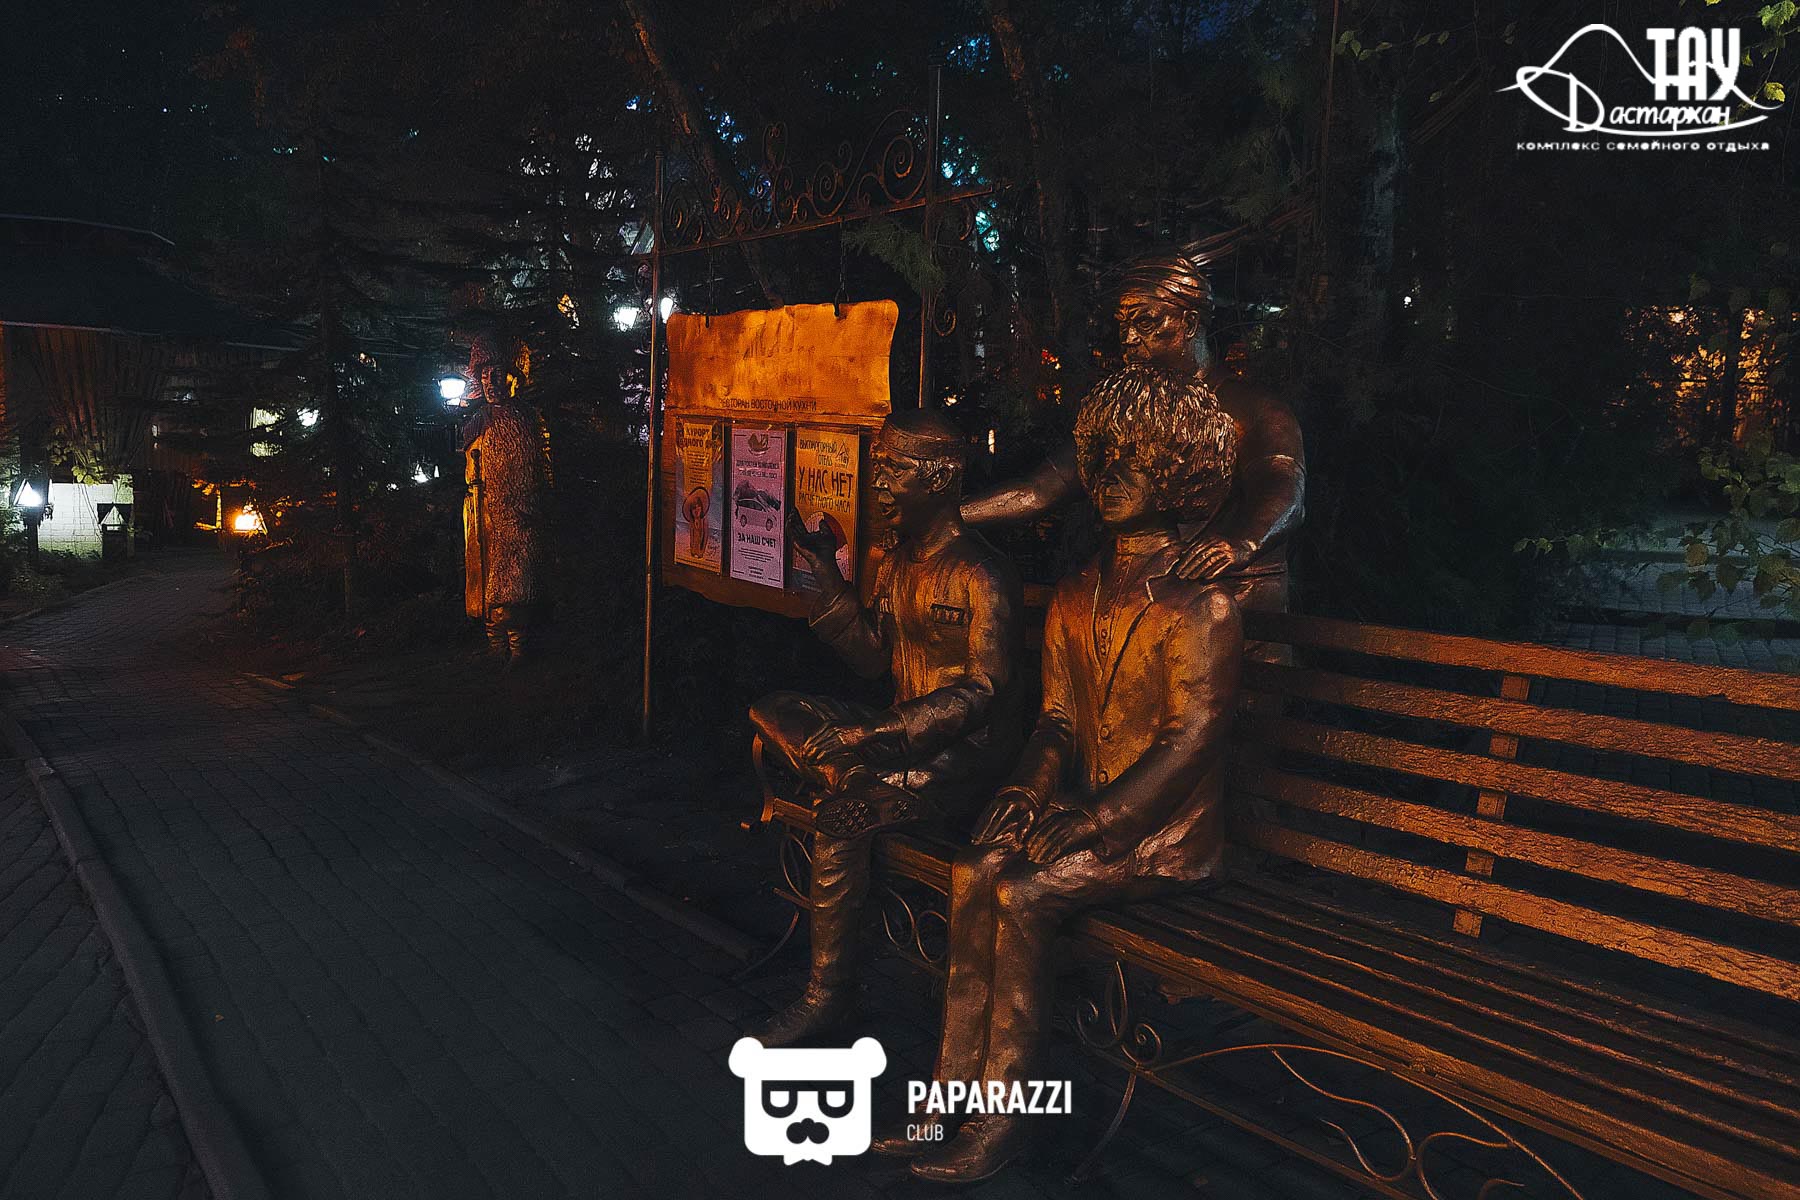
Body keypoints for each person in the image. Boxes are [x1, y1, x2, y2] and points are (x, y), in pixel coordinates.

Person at [893, 366, 1243, 1182]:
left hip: (1163, 839)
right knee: (973, 868)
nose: (1110, 475)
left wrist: (1093, 821)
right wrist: (1025, 790)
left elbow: (1190, 739)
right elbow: (1055, 719)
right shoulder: (1079, 590)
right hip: (1083, 811)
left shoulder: (1202, 606)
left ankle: (1001, 1121)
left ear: (1179, 472)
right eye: (1103, 457)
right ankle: (944, 1098)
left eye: (1136, 460)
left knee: (1021, 892)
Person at [747, 408, 1023, 1048]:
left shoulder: (983, 574)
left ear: (938, 479)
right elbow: (874, 658)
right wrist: (826, 574)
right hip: (889, 742)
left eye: (893, 470)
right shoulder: (898, 563)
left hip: (956, 762)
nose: (877, 484)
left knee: (840, 825)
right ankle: (855, 777)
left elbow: (984, 691)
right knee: (774, 708)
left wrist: (872, 735)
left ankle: (827, 996)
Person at [960, 251, 1302, 628]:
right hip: (1151, 609)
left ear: (1189, 322)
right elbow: (1039, 490)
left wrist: (1242, 543)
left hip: (1238, 611)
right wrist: (946, 518)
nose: (1128, 339)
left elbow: (1284, 488)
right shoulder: (1128, 408)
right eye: (1123, 324)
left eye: (1145, 322)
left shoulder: (1254, 409)